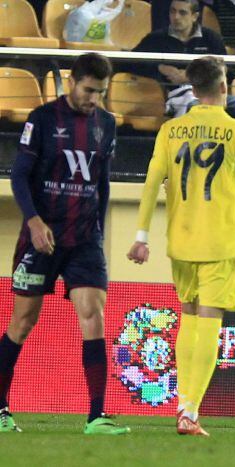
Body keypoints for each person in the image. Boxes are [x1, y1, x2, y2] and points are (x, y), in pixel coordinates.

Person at [126, 56, 235, 436]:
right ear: (224, 86)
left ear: (192, 89)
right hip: (220, 243)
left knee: (189, 317)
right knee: (209, 322)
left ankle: (183, 405)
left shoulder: (170, 130)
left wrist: (141, 236)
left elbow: (150, 183)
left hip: (181, 240)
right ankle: (189, 411)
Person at [0, 53, 129, 435]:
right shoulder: (41, 120)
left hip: (84, 238)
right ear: (72, 82)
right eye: (89, 90)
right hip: (41, 238)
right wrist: (35, 222)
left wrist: (100, 232)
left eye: (101, 92)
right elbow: (19, 177)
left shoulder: (106, 124)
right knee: (22, 323)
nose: (94, 99)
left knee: (94, 316)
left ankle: (95, 417)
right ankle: (1, 408)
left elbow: (102, 183)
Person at [133, 0, 235, 129]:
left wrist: (191, 77)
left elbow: (226, 70)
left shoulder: (211, 38)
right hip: (178, 96)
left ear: (194, 16)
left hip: (212, 93)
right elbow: (129, 63)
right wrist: (158, 68)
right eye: (173, 11)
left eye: (182, 13)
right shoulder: (156, 39)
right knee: (197, 108)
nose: (176, 17)